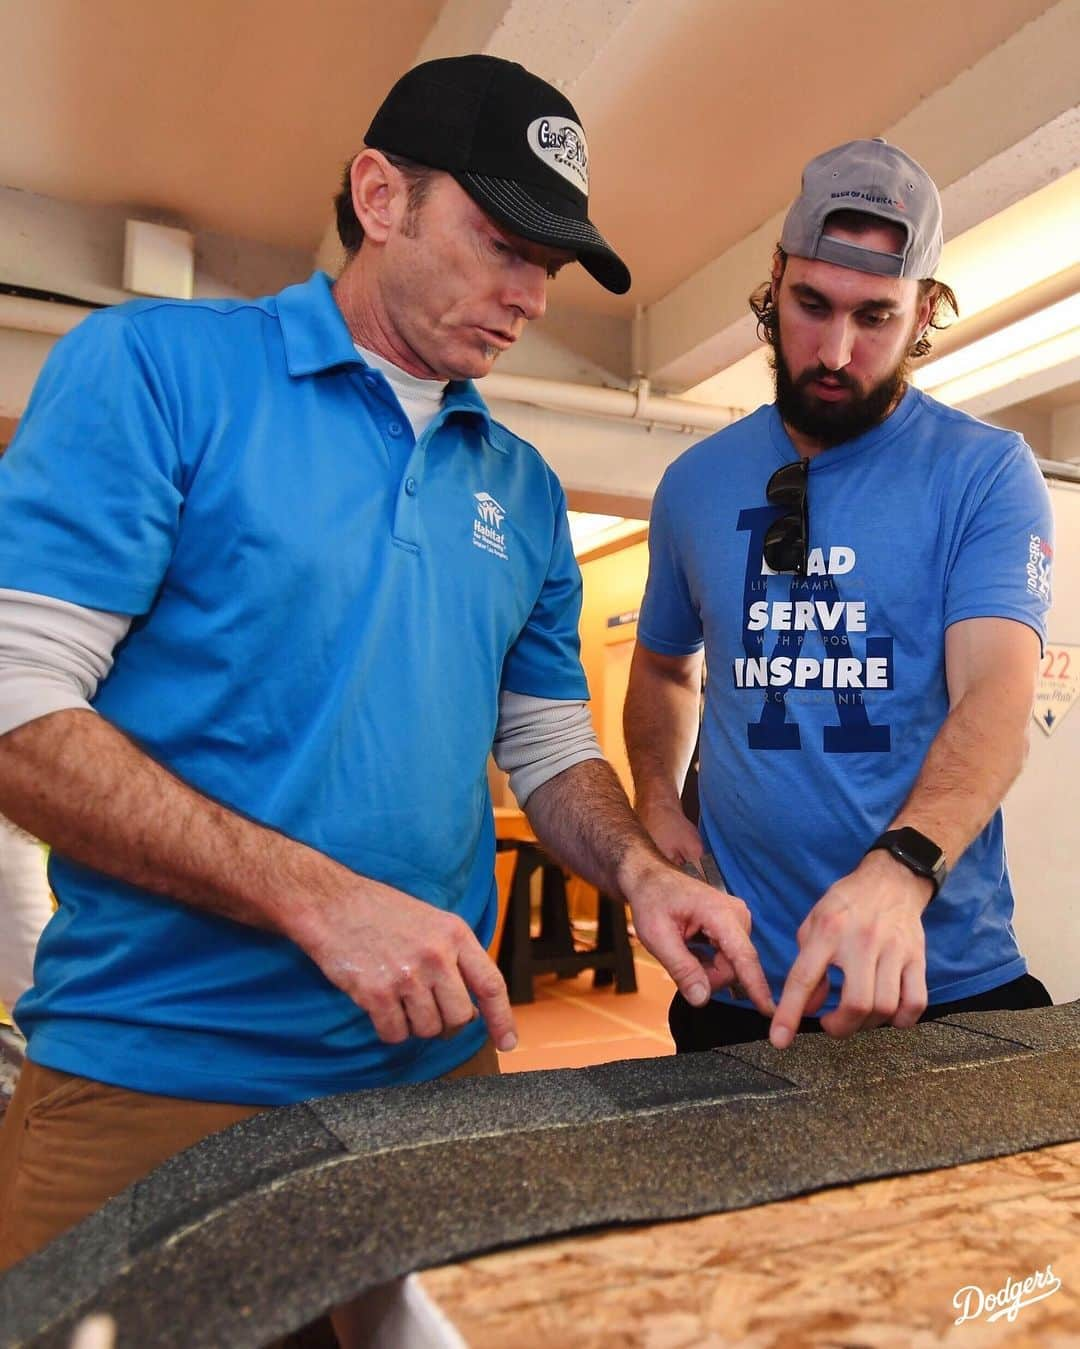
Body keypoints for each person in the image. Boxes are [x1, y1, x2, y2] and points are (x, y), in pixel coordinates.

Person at [0, 55, 772, 1277]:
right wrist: (319, 897)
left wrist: (637, 870)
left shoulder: (522, 485)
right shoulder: (158, 370)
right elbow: (17, 701)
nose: (529, 295)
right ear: (378, 193)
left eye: (551, 266)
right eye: (501, 241)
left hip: (437, 1071)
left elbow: (550, 742)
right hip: (154, 1067)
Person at [624, 138, 1054, 1056]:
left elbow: (997, 699)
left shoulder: (984, 472)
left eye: (877, 317)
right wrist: (657, 799)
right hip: (737, 982)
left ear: (927, 310)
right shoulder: (695, 485)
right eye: (812, 305)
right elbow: (663, 666)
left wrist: (900, 869)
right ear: (775, 279)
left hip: (938, 980)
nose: (835, 349)